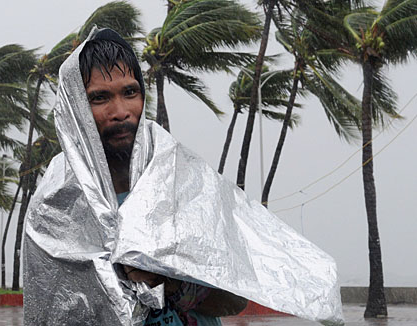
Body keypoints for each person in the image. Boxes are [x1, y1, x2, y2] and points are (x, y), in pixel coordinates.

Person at [23, 27, 343, 326]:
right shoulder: (54, 206)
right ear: (76, 107)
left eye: (130, 92)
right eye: (100, 97)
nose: (120, 110)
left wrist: (169, 281)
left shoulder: (181, 180)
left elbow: (233, 300)